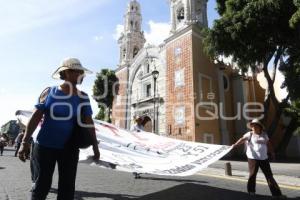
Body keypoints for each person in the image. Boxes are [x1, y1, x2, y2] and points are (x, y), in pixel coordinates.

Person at [18, 57, 100, 200]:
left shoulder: (83, 97)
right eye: (78, 72)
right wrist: (24, 142)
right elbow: (36, 116)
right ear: (67, 73)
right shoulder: (49, 92)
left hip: (69, 148)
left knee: (67, 189)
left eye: (82, 72)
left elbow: (89, 124)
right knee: (41, 186)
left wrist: (95, 147)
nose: (82, 75)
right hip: (44, 146)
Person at [232, 118, 286, 199]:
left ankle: (276, 194)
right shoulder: (249, 134)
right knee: (252, 175)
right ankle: (251, 192)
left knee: (269, 176)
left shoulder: (264, 134)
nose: (253, 127)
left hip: (264, 158)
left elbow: (268, 144)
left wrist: (272, 153)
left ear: (259, 126)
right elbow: (242, 140)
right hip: (253, 158)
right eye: (252, 125)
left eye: (255, 125)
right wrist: (235, 145)